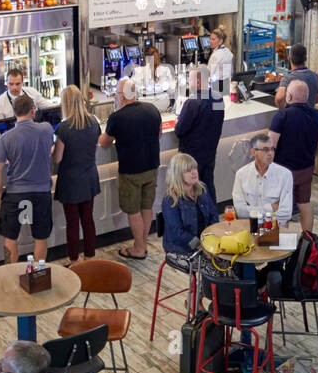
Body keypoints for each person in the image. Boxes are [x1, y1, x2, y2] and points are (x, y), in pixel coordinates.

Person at [99, 78, 161, 261]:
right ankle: (141, 243)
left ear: (122, 96)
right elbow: (159, 134)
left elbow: (104, 142)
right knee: (146, 207)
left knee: (133, 211)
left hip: (131, 170)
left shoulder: (117, 118)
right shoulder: (152, 110)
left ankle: (139, 249)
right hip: (152, 166)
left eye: (118, 94)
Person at [0, 93, 54, 265]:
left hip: (15, 194)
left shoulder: (5, 138)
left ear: (14, 112)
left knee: (11, 237)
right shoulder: (46, 129)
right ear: (33, 111)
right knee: (40, 237)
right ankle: (38, 274)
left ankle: (11, 274)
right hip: (41, 193)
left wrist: (0, 190)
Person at [268, 81, 318, 231]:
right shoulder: (317, 115)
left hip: (282, 170)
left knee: (278, 206)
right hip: (306, 168)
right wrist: (313, 155)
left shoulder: (282, 115)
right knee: (304, 204)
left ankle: (280, 244)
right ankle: (308, 241)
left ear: (288, 96)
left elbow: (271, 145)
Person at [52, 85, 101, 264]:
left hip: (70, 181)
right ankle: (89, 259)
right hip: (89, 177)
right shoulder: (94, 122)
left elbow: (57, 158)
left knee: (72, 224)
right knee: (88, 220)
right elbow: (94, 150)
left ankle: (74, 262)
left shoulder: (64, 128)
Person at [174, 65, 224, 202]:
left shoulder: (192, 103)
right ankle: (212, 220)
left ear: (197, 81)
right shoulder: (218, 98)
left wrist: (178, 121)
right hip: (209, 154)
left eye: (189, 79)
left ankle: (196, 222)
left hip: (191, 158)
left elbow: (179, 130)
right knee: (208, 188)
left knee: (190, 192)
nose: (188, 83)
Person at [161, 153, 219, 256]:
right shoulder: (170, 199)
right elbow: (176, 232)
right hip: (180, 249)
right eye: (188, 170)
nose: (194, 173)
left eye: (194, 168)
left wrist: (210, 239)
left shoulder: (202, 189)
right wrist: (200, 246)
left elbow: (213, 214)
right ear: (178, 174)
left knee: (233, 259)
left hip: (205, 243)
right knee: (217, 268)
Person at [232, 132, 293, 225]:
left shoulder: (285, 175)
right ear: (253, 152)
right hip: (248, 227)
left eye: (272, 149)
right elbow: (240, 211)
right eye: (265, 150)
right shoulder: (241, 174)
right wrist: (271, 208)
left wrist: (253, 213)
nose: (270, 153)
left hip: (274, 229)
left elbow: (286, 213)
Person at [274, 44, 318, 108]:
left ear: (289, 58)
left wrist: (283, 111)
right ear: (306, 58)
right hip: (309, 115)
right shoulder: (315, 76)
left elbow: (279, 99)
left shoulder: (287, 79)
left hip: (293, 116)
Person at [206, 25, 234, 94]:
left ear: (220, 41)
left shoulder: (215, 55)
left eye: (213, 39)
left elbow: (208, 73)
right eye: (210, 39)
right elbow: (231, 71)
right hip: (227, 86)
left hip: (217, 88)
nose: (210, 41)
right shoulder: (228, 52)